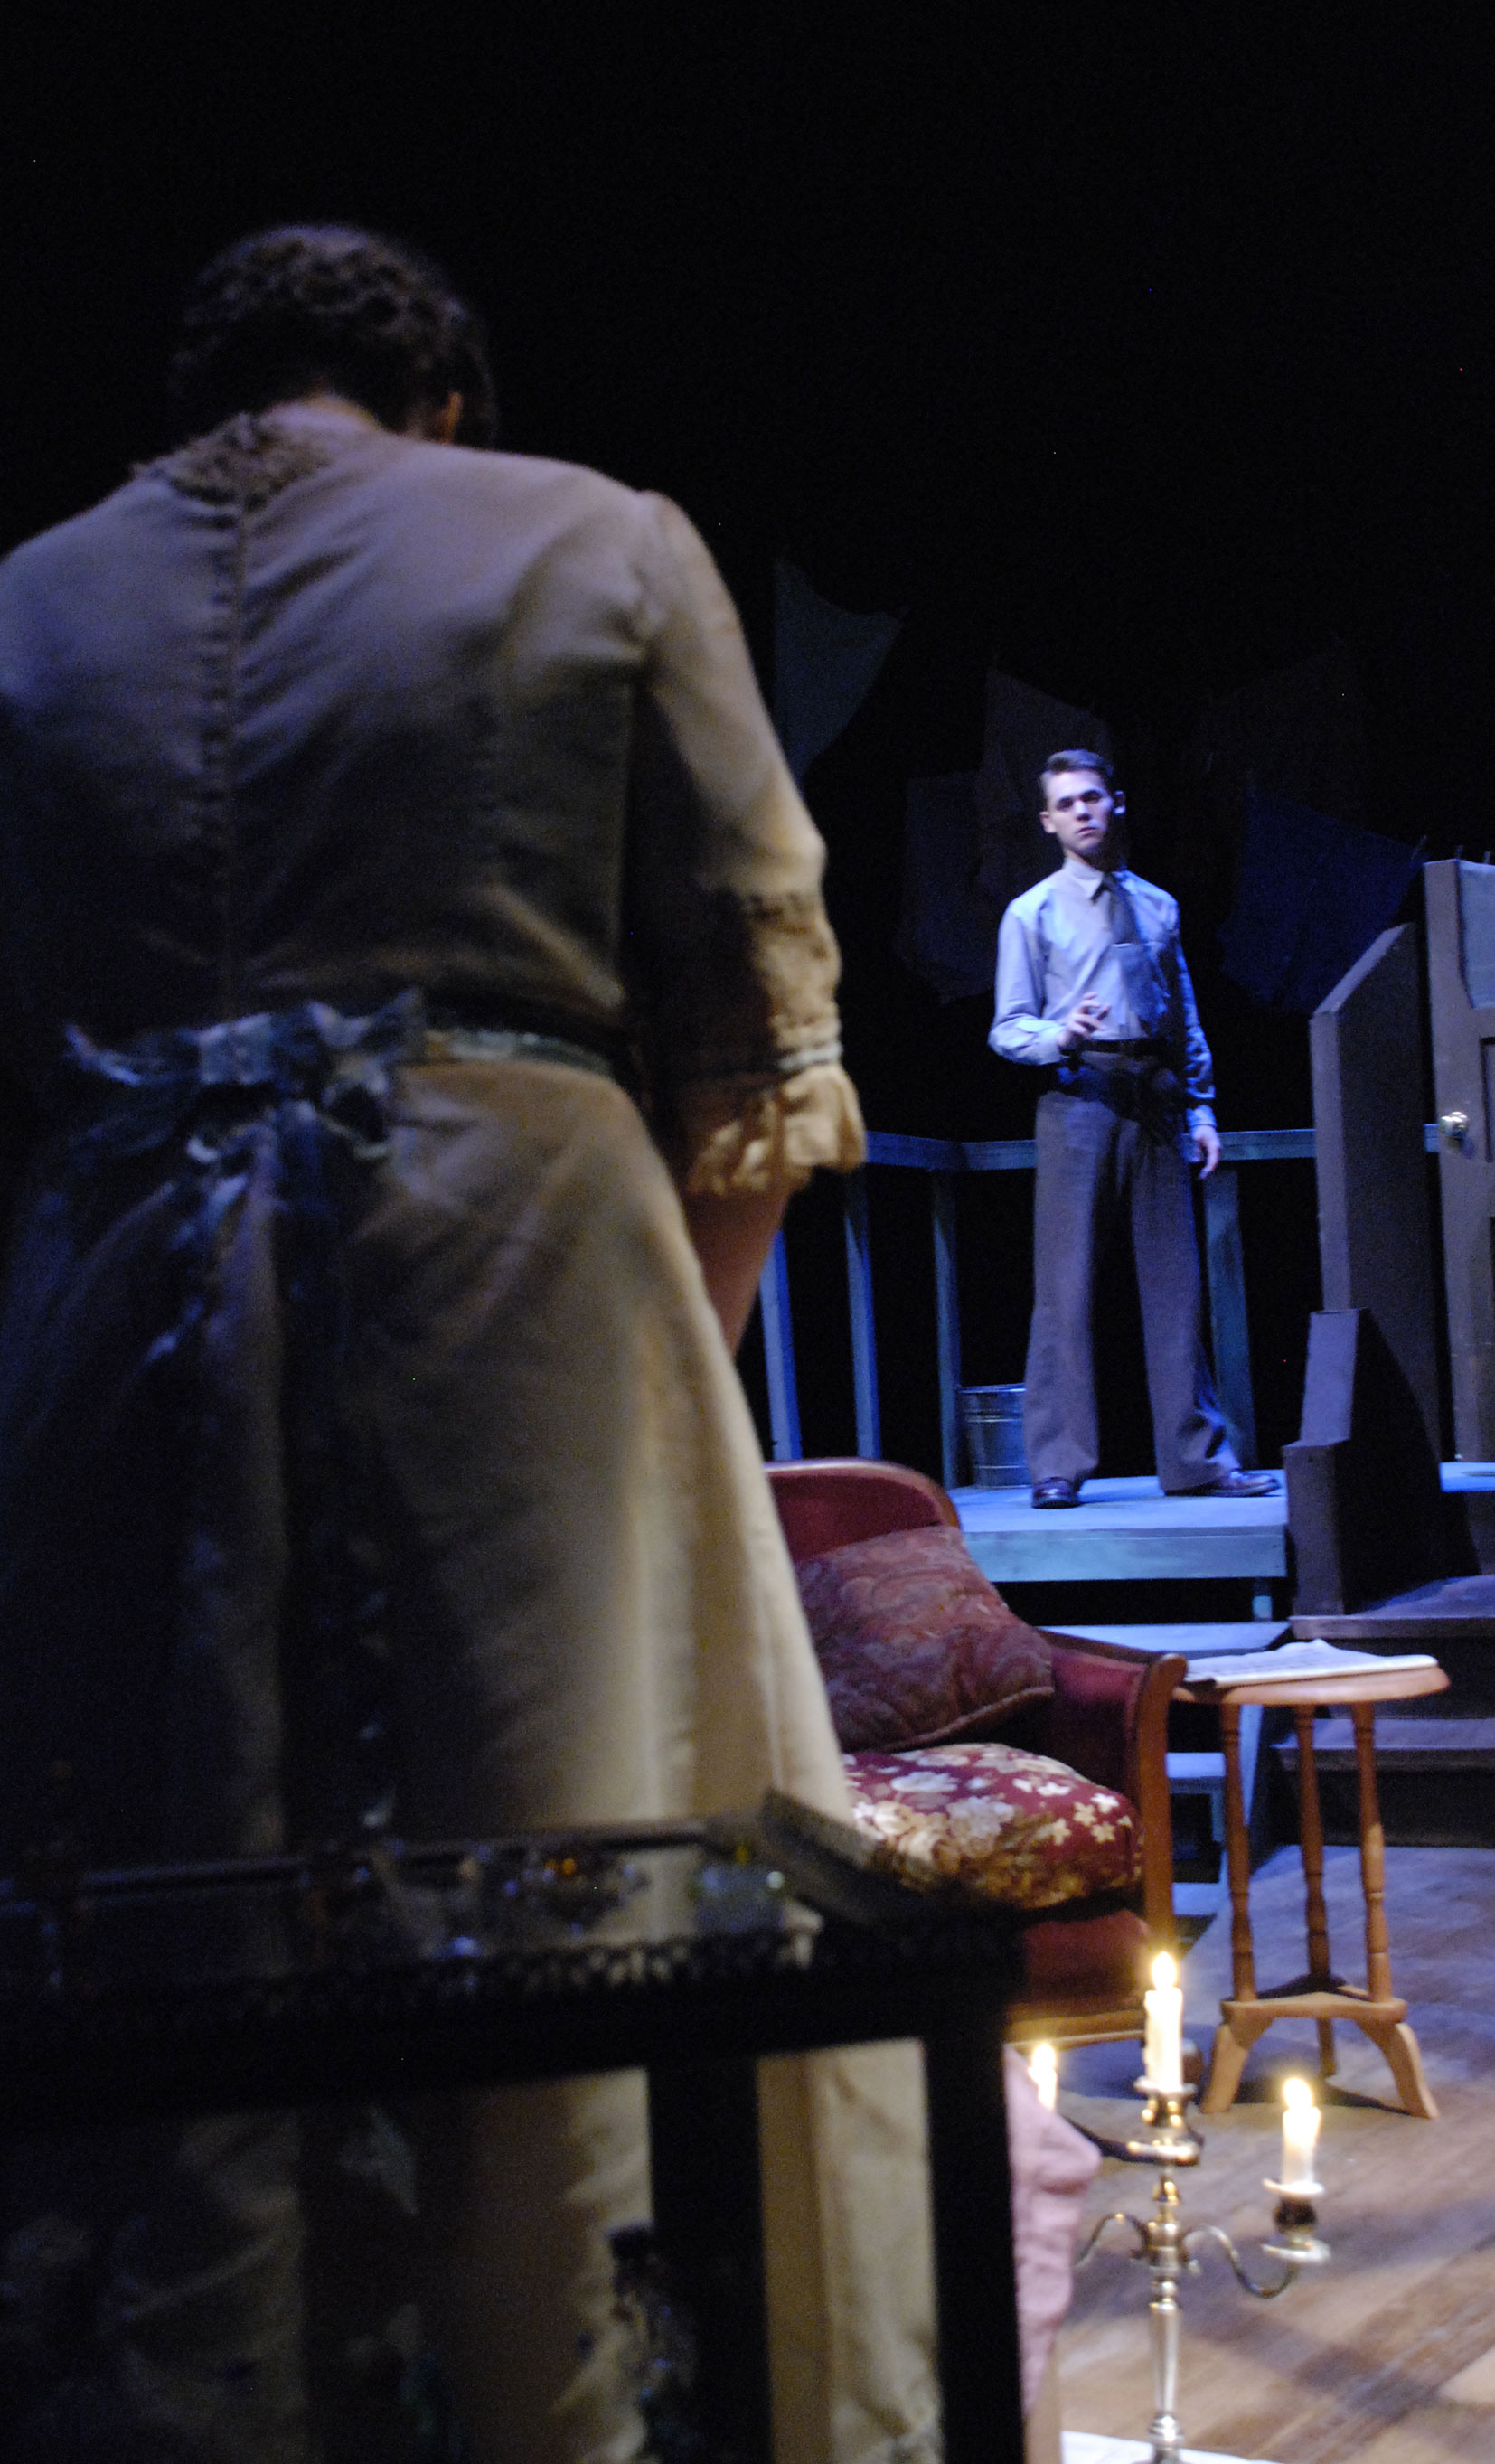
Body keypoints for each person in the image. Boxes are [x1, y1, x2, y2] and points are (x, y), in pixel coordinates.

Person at [0, 228, 939, 2461]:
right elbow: (751, 999)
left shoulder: (31, 594)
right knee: (576, 1841)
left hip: (111, 1284)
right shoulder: (592, 538)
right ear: (442, 406)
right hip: (509, 1268)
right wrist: (669, 1398)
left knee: (149, 1872)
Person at [989, 749, 1278, 1509]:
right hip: (1079, 1092)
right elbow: (1007, 1027)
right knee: (1066, 1285)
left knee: (1176, 1285)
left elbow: (1183, 1017)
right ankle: (1058, 1464)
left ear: (1116, 804)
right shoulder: (1032, 912)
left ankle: (1197, 1459)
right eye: (1067, 804)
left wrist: (1202, 1108)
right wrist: (1062, 1036)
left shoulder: (1156, 906)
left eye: (1094, 798)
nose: (1084, 812)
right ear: (1048, 821)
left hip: (1153, 1092)